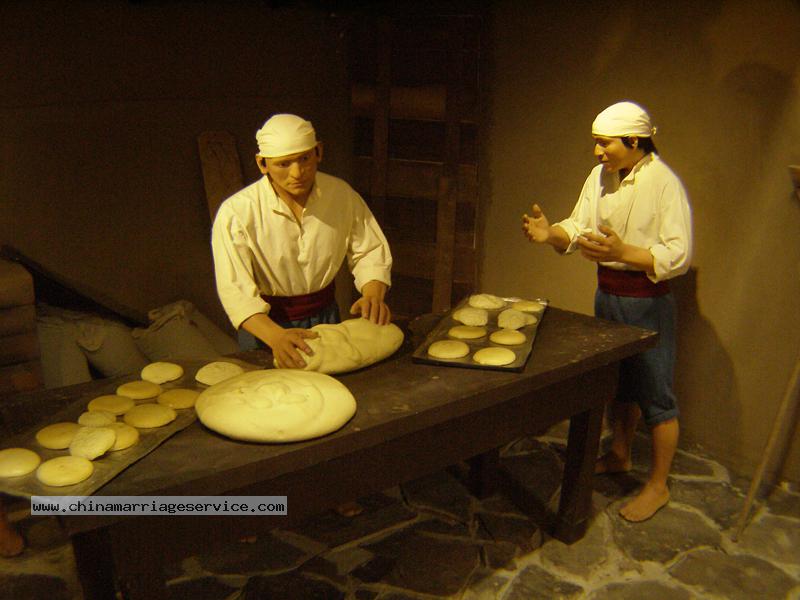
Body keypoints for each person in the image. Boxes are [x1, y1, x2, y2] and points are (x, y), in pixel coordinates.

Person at [521, 101, 693, 522]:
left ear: (634, 140)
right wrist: (550, 235)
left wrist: (625, 252)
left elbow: (679, 253)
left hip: (647, 303)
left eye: (604, 144)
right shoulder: (600, 176)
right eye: (596, 144)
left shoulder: (664, 183)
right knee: (618, 384)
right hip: (608, 295)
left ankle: (657, 484)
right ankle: (619, 453)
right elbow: (578, 226)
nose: (597, 152)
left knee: (656, 393)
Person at [212, 113, 393, 369]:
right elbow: (235, 290)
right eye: (283, 164)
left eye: (304, 159)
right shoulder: (238, 212)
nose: (297, 173)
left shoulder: (340, 195)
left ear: (318, 151)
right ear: (262, 164)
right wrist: (276, 336)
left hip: (326, 319)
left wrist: (373, 293)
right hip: (266, 329)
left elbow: (369, 249)